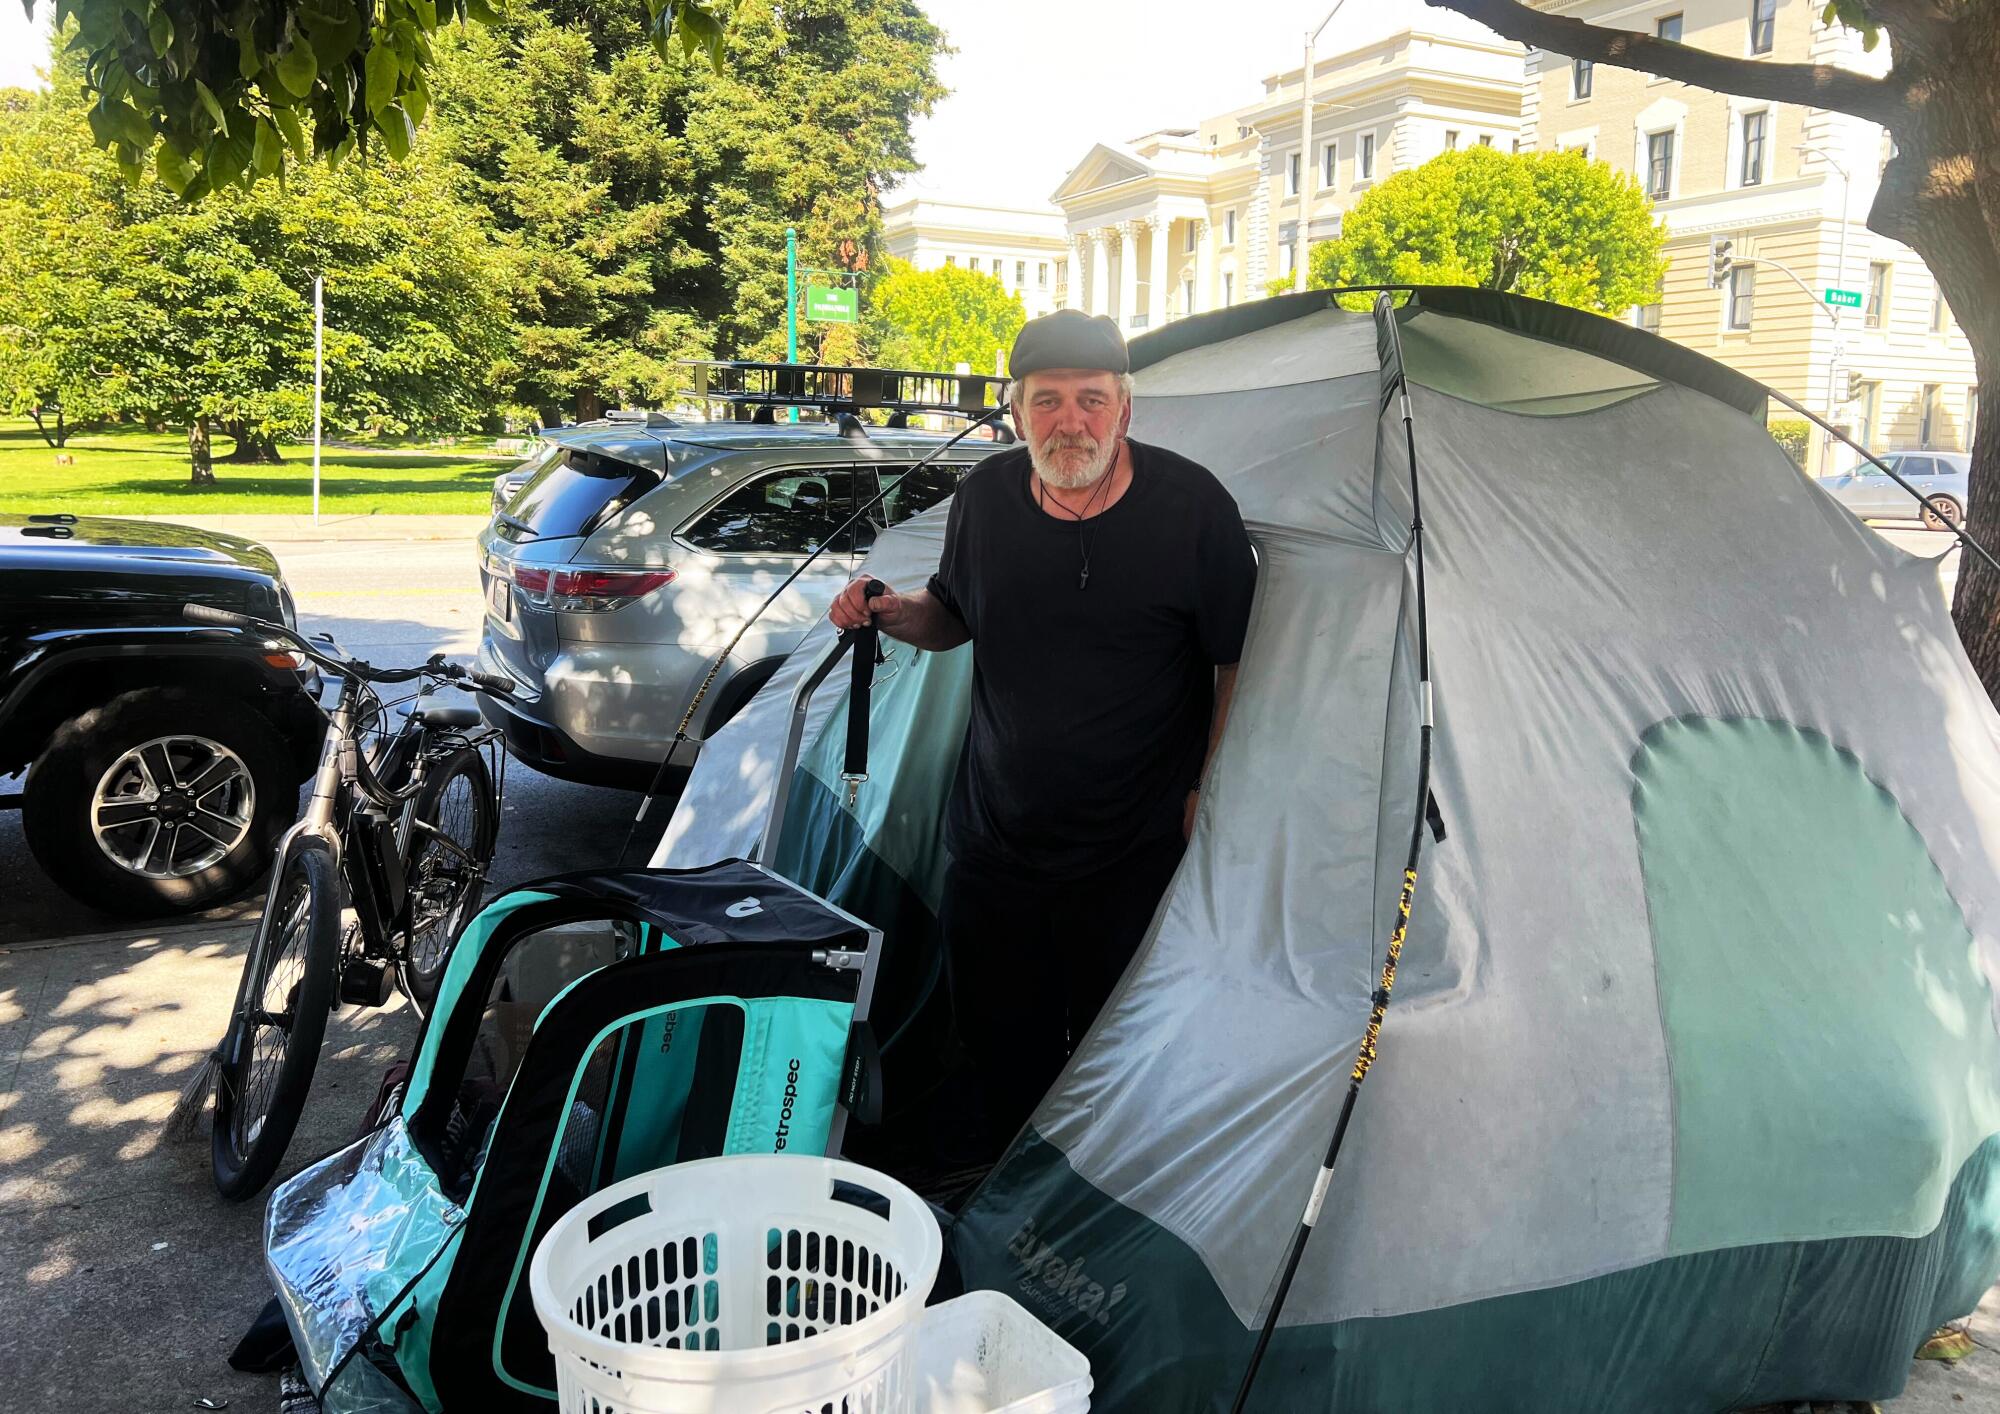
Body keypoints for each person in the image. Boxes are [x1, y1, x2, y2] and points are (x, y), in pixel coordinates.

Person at [828, 309, 1257, 1155]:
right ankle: (1008, 1196)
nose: (1071, 421)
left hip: (1129, 854)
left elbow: (1235, 661)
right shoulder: (986, 497)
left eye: (1091, 400)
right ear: (1017, 410)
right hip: (994, 846)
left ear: (1125, 410)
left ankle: (1089, 1210)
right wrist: (889, 610)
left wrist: (1212, 783)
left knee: (1116, 1056)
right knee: (1000, 1046)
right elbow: (952, 614)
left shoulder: (1192, 507)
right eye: (1048, 400)